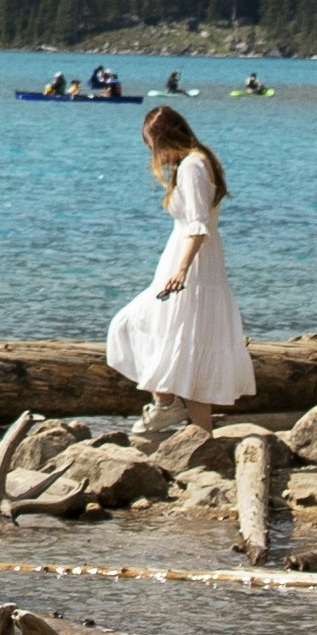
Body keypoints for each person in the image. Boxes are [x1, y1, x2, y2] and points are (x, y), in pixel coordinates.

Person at [105, 103, 255, 425]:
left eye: (152, 146)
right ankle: (200, 436)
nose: (153, 154)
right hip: (192, 261)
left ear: (165, 139)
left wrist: (182, 269)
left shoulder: (192, 166)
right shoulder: (197, 161)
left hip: (191, 265)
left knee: (132, 323)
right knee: (188, 347)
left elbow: (198, 225)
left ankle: (167, 405)